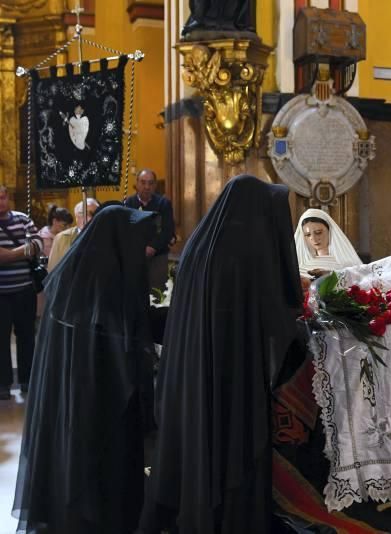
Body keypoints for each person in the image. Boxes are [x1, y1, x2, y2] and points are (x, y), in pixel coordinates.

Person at [140, 175, 303, 534]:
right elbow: (276, 316)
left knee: (205, 439)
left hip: (196, 370)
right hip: (233, 371)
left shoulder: (203, 242)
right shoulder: (247, 249)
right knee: (231, 442)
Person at [13, 206, 158, 533]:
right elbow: (113, 352)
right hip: (94, 409)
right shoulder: (99, 284)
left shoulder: (85, 274)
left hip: (82, 406)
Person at [0, 186, 42, 400]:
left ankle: (28, 380)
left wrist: (10, 254)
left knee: (27, 337)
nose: (1, 201)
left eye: (3, 197)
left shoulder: (22, 218)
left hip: (24, 289)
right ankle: (3, 385)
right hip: (1, 292)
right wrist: (22, 252)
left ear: (7, 197)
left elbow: (38, 243)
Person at [124, 169, 175, 291]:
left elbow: (168, 230)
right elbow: (125, 231)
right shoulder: (128, 204)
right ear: (136, 184)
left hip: (158, 257)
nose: (147, 187)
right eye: (143, 182)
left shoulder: (164, 204)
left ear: (155, 185)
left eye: (151, 183)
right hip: (134, 258)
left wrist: (153, 247)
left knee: (157, 295)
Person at [294, 208, 362, 290]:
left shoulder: (347, 265)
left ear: (329, 230)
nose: (314, 239)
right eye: (308, 235)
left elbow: (361, 284)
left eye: (318, 232)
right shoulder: (300, 266)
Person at [47, 197, 99, 271]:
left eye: (95, 213)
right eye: (86, 213)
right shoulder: (61, 238)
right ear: (77, 215)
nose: (91, 217)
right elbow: (52, 271)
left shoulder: (107, 236)